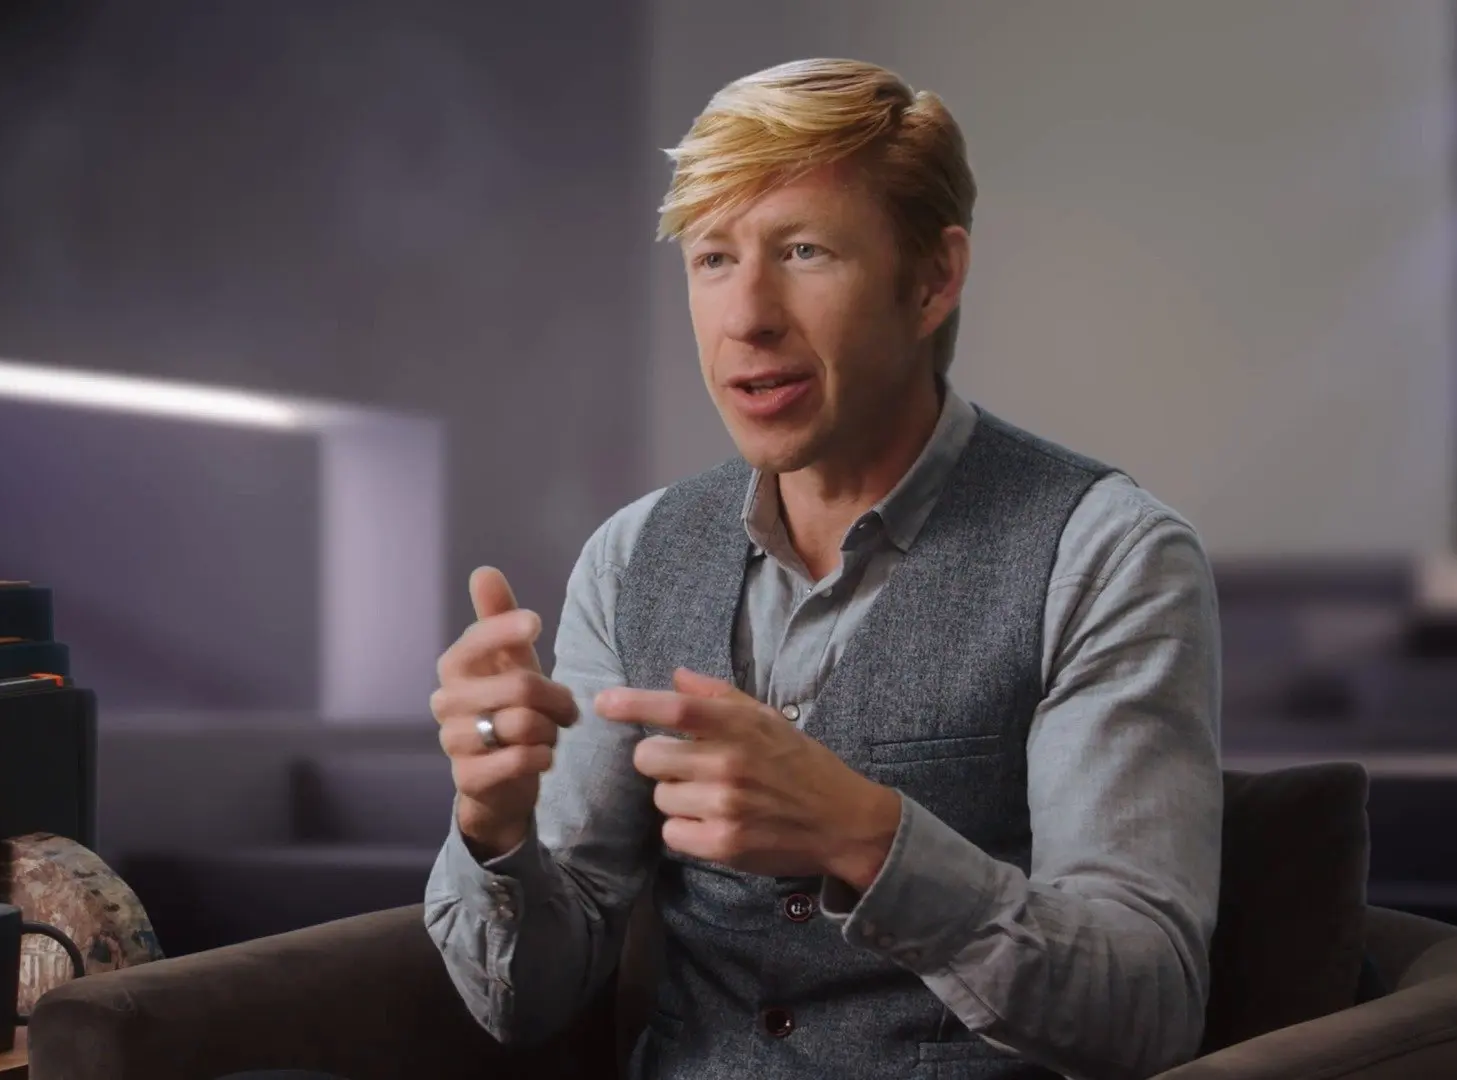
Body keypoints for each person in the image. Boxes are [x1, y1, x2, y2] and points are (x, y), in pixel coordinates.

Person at [421, 57, 1223, 1080]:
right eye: (714, 258)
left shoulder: (1109, 554)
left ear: (932, 280)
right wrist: (491, 829)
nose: (747, 315)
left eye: (803, 251)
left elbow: (1147, 1007)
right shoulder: (630, 557)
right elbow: (523, 1001)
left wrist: (867, 836)